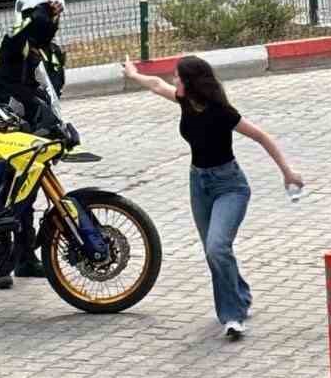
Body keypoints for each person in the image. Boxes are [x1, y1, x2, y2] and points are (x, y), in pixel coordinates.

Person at [121, 53, 302, 339]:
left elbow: (262, 136)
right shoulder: (184, 101)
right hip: (199, 184)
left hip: (230, 186)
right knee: (214, 251)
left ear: (190, 82)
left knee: (217, 248)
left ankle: (233, 316)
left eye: (178, 77)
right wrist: (133, 75)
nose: (174, 80)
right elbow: (156, 84)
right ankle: (240, 294)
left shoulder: (221, 112)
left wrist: (287, 173)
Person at [0, 0, 68, 289]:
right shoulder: (14, 44)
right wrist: (37, 16)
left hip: (37, 133)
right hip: (7, 133)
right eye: (47, 15)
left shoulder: (54, 54)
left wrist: (58, 125)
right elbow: (19, 35)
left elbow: (52, 94)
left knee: (29, 196)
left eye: (55, 17)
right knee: (3, 197)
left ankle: (25, 258)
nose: (52, 22)